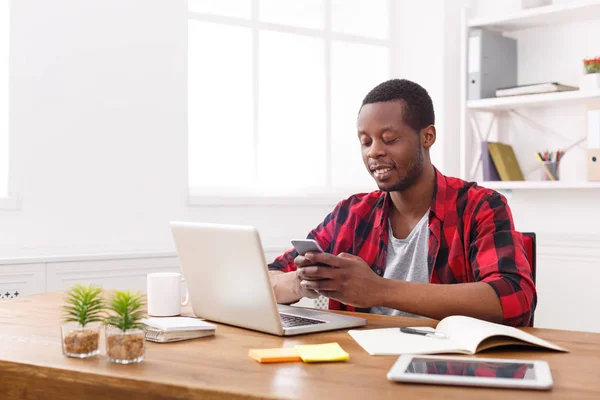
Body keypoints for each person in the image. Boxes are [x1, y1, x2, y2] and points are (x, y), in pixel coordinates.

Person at [268, 79, 536, 327]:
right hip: (360, 365)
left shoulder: (480, 206)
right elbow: (265, 279)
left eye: (389, 139)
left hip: (450, 363)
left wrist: (379, 290)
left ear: (427, 137)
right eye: (365, 141)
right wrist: (302, 283)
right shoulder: (351, 214)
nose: (374, 151)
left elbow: (515, 298)